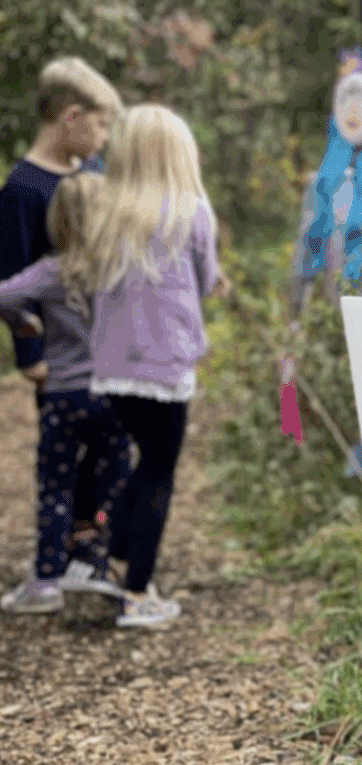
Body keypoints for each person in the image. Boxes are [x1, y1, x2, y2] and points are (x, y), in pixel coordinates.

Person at [84, 104, 228, 627]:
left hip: (113, 370)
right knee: (159, 473)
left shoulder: (106, 212)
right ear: (178, 155)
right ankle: (138, 594)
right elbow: (207, 278)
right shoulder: (191, 211)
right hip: (165, 370)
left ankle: (116, 560)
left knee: (147, 462)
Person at [0, 56, 124, 564]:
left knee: (109, 454)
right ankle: (63, 546)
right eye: (100, 124)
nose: (104, 136)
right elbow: (11, 280)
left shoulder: (92, 173)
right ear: (70, 117)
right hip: (60, 361)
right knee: (63, 458)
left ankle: (86, 539)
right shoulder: (21, 191)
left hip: (109, 355)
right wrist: (29, 352)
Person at [0, 172, 132, 613]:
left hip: (63, 396)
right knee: (110, 482)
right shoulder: (123, 269)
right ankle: (95, 565)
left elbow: (5, 296)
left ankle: (46, 580)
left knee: (56, 485)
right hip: (115, 395)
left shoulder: (50, 271)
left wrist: (26, 324)